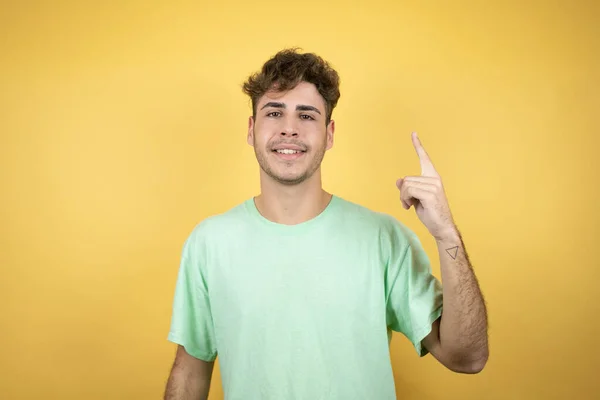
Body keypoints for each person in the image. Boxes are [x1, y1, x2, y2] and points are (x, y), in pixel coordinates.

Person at [163, 48, 489, 400]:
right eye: (274, 112)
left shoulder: (384, 238)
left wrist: (446, 235)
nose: (289, 129)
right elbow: (191, 373)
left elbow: (467, 358)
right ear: (251, 129)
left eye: (306, 116)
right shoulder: (209, 242)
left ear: (329, 134)